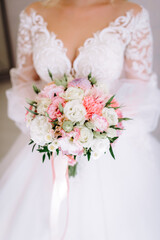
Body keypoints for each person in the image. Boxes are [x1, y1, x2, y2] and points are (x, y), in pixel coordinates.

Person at [0, 0, 160, 239]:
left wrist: (98, 126)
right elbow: (24, 79)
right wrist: (48, 123)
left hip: (109, 143)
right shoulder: (34, 14)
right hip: (49, 139)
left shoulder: (131, 14)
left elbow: (139, 84)